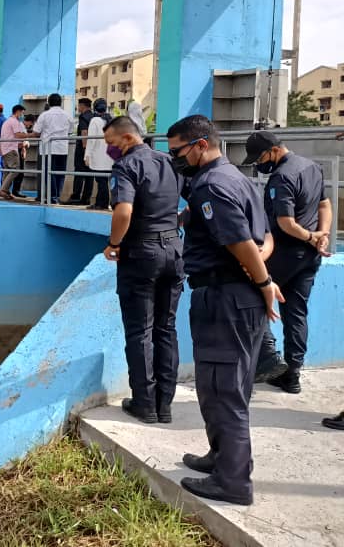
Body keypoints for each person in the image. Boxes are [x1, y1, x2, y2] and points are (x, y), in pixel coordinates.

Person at [167, 115, 284, 507]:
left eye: (178, 152)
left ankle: (233, 482)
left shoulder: (210, 186)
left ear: (201, 145)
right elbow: (264, 238)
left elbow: (240, 242)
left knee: (221, 389)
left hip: (224, 298)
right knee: (231, 385)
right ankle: (220, 458)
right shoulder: (238, 178)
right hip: (239, 293)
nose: (175, 160)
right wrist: (260, 276)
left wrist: (264, 282)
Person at [102, 116, 184, 425]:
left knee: (140, 330)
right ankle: (165, 405)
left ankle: (145, 404)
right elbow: (190, 202)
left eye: (111, 143)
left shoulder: (126, 167)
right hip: (174, 249)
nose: (109, 149)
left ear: (126, 138)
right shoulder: (169, 162)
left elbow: (124, 210)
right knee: (166, 329)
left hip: (141, 253)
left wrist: (113, 243)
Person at [242, 130, 332, 393]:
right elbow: (325, 205)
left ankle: (268, 360)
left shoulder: (282, 177)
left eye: (259, 158)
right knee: (297, 311)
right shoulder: (312, 167)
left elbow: (285, 222)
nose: (259, 164)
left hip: (285, 253)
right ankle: (292, 374)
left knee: (254, 294)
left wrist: (311, 236)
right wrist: (321, 236)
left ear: (272, 150)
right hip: (309, 257)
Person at [23, 93, 72, 204]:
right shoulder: (67, 115)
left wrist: (25, 135)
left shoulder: (44, 115)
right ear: (61, 102)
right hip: (62, 148)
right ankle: (57, 196)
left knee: (49, 174)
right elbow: (70, 131)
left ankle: (52, 197)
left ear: (49, 103)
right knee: (60, 173)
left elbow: (36, 132)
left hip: (47, 149)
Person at [85, 98, 113, 210]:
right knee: (105, 181)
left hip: (98, 156)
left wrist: (87, 155)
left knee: (101, 181)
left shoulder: (95, 121)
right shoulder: (110, 120)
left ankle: (102, 204)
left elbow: (91, 140)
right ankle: (102, 202)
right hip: (110, 157)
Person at [66, 97, 95, 206]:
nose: (78, 108)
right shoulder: (93, 116)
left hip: (83, 149)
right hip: (92, 149)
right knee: (89, 175)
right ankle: (86, 198)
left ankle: (75, 197)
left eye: (79, 106)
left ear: (82, 106)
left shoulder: (83, 117)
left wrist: (84, 149)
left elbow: (84, 132)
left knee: (79, 173)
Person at [0, 104, 27, 200]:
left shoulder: (6, 122)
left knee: (7, 171)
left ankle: (5, 191)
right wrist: (32, 135)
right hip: (11, 149)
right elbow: (18, 135)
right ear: (18, 111)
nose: (22, 115)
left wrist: (0, 147)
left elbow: (2, 136)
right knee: (15, 169)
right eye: (22, 113)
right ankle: (3, 189)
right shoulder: (14, 122)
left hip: (5, 149)